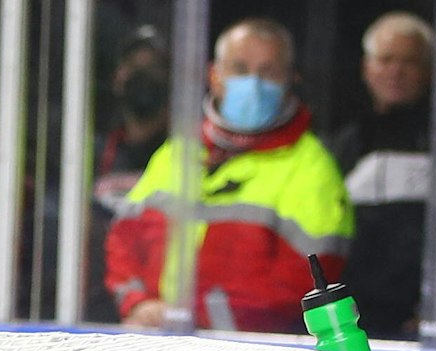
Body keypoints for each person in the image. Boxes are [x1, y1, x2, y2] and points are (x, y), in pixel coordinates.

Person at [104, 17, 352, 333]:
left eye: (268, 72)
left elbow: (304, 284)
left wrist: (194, 318)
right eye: (240, 68)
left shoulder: (313, 169)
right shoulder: (177, 152)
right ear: (214, 75)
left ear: (291, 79)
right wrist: (138, 303)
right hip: (157, 348)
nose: (253, 82)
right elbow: (123, 241)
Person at [328, 12, 435, 340]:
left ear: (429, 72)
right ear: (366, 68)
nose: (396, 72)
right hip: (351, 322)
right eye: (386, 59)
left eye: (410, 62)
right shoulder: (341, 144)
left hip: (422, 326)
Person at [86, 27, 171, 320]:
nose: (142, 77)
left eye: (153, 69)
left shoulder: (185, 156)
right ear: (117, 79)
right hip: (94, 308)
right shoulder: (89, 153)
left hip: (150, 313)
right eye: (133, 67)